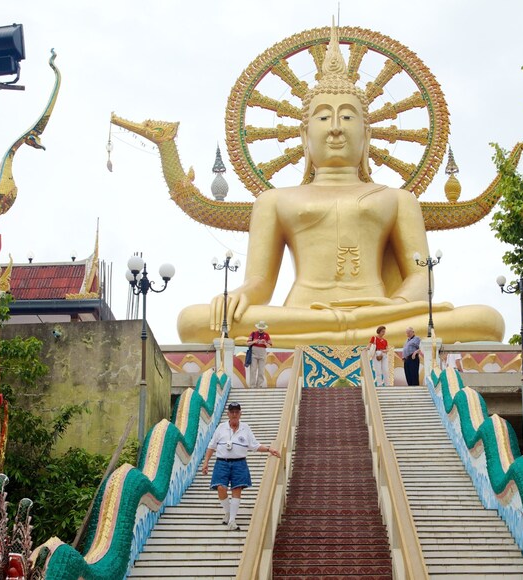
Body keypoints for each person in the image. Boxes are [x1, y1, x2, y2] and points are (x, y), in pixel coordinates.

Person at [175, 24, 504, 347]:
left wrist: (397, 303)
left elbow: (421, 275)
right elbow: (260, 282)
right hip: (302, 314)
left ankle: (340, 333)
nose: (335, 128)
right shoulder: (274, 201)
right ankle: (344, 332)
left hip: (381, 314)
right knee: (193, 321)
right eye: (322, 118)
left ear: (367, 133)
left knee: (487, 320)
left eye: (347, 117)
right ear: (304, 135)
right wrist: (236, 297)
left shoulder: (398, 199)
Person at [201, 402, 280, 531]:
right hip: (222, 462)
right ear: (228, 414)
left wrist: (269, 449)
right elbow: (211, 446)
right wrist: (206, 463)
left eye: (237, 412)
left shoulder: (245, 428)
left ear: (240, 414)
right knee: (221, 488)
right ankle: (228, 512)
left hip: (239, 463)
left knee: (237, 490)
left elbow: (254, 445)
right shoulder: (221, 428)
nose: (234, 414)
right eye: (232, 412)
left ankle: (232, 520)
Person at [246, 321, 271, 388]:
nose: (260, 329)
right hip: (254, 353)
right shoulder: (253, 333)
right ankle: (252, 385)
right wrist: (255, 341)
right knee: (253, 370)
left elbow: (269, 346)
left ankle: (259, 385)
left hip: (262, 353)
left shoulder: (267, 335)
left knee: (261, 370)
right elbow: (248, 343)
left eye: (262, 328)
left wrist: (265, 343)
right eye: (259, 328)